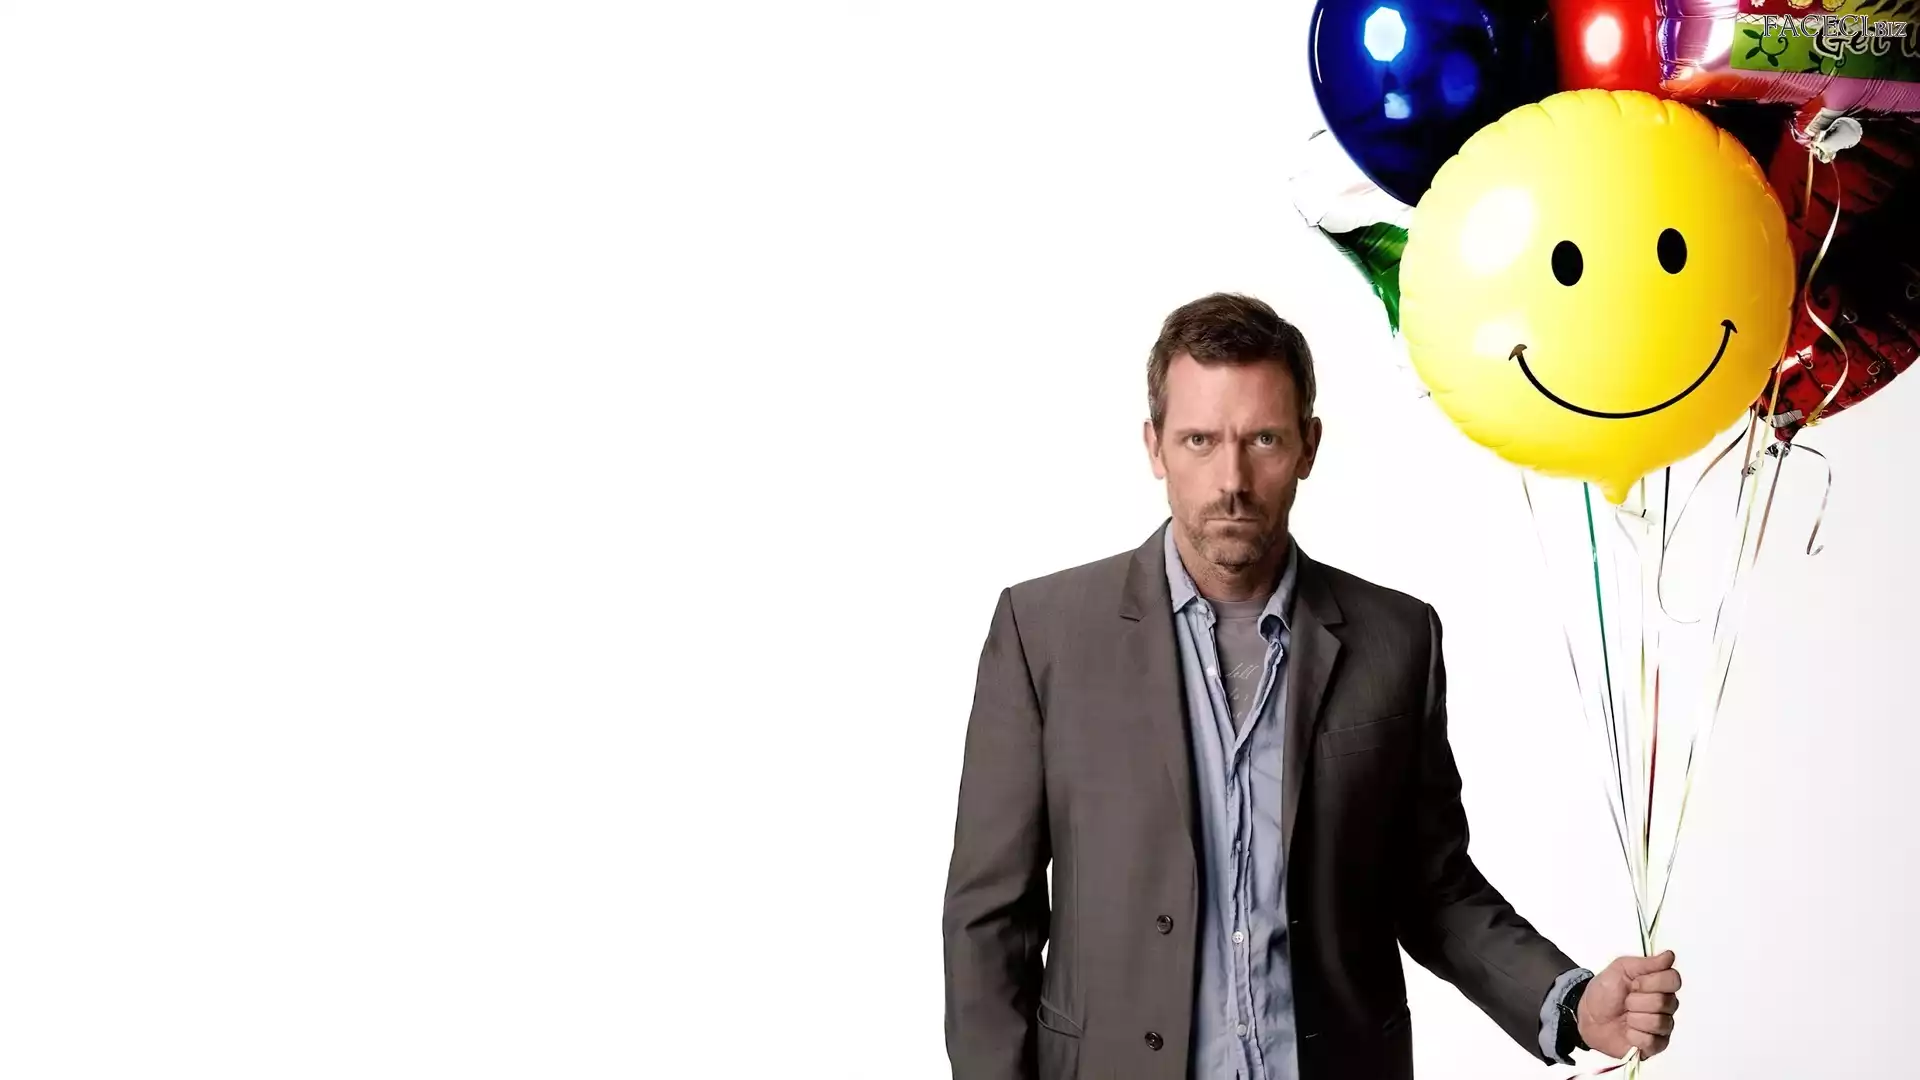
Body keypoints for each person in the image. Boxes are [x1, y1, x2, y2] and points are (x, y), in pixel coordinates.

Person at [940, 293, 1683, 1080]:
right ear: (1155, 447)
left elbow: (1432, 890)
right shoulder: (1044, 635)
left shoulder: (1396, 639)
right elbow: (990, 920)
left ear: (1308, 446)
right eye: (1199, 440)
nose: (1232, 479)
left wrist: (1570, 1003)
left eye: (1263, 438)